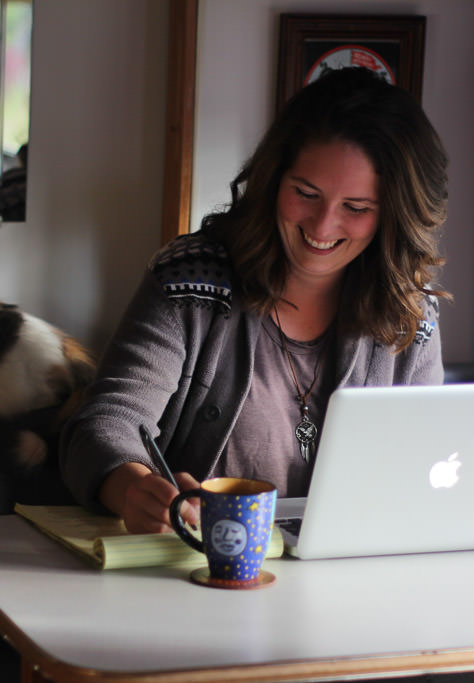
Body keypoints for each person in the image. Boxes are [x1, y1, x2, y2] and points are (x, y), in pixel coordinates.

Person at [60, 66, 450, 534]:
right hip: (201, 572)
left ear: (395, 215)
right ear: (273, 180)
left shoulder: (409, 309)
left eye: (356, 208)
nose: (322, 227)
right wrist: (131, 488)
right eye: (305, 193)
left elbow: (426, 460)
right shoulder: (189, 280)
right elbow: (105, 423)